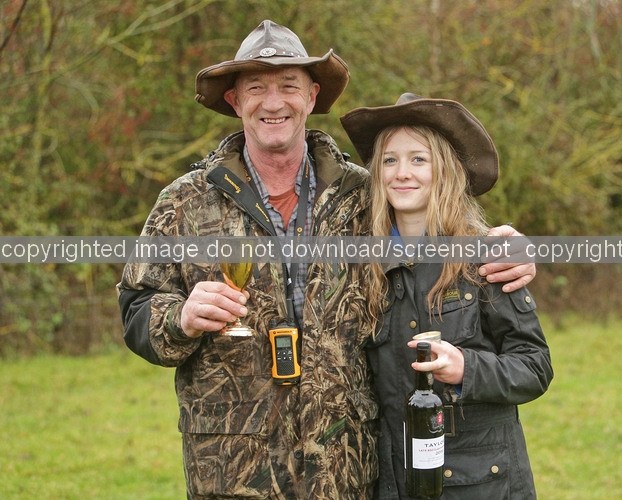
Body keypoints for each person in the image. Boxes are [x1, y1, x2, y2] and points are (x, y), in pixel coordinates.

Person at [118, 20, 535, 500]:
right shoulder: (184, 202)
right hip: (231, 469)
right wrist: (180, 319)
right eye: (256, 88)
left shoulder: (365, 194)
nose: (273, 103)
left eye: (288, 86)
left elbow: (438, 229)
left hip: (346, 467)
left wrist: (506, 247)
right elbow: (137, 309)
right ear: (234, 100)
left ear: (312, 96)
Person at [340, 93, 553, 499]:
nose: (402, 173)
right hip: (395, 481)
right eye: (390, 160)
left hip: (481, 485)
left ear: (445, 170)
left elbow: (535, 366)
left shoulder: (487, 256)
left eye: (418, 159)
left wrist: (466, 368)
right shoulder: (362, 265)